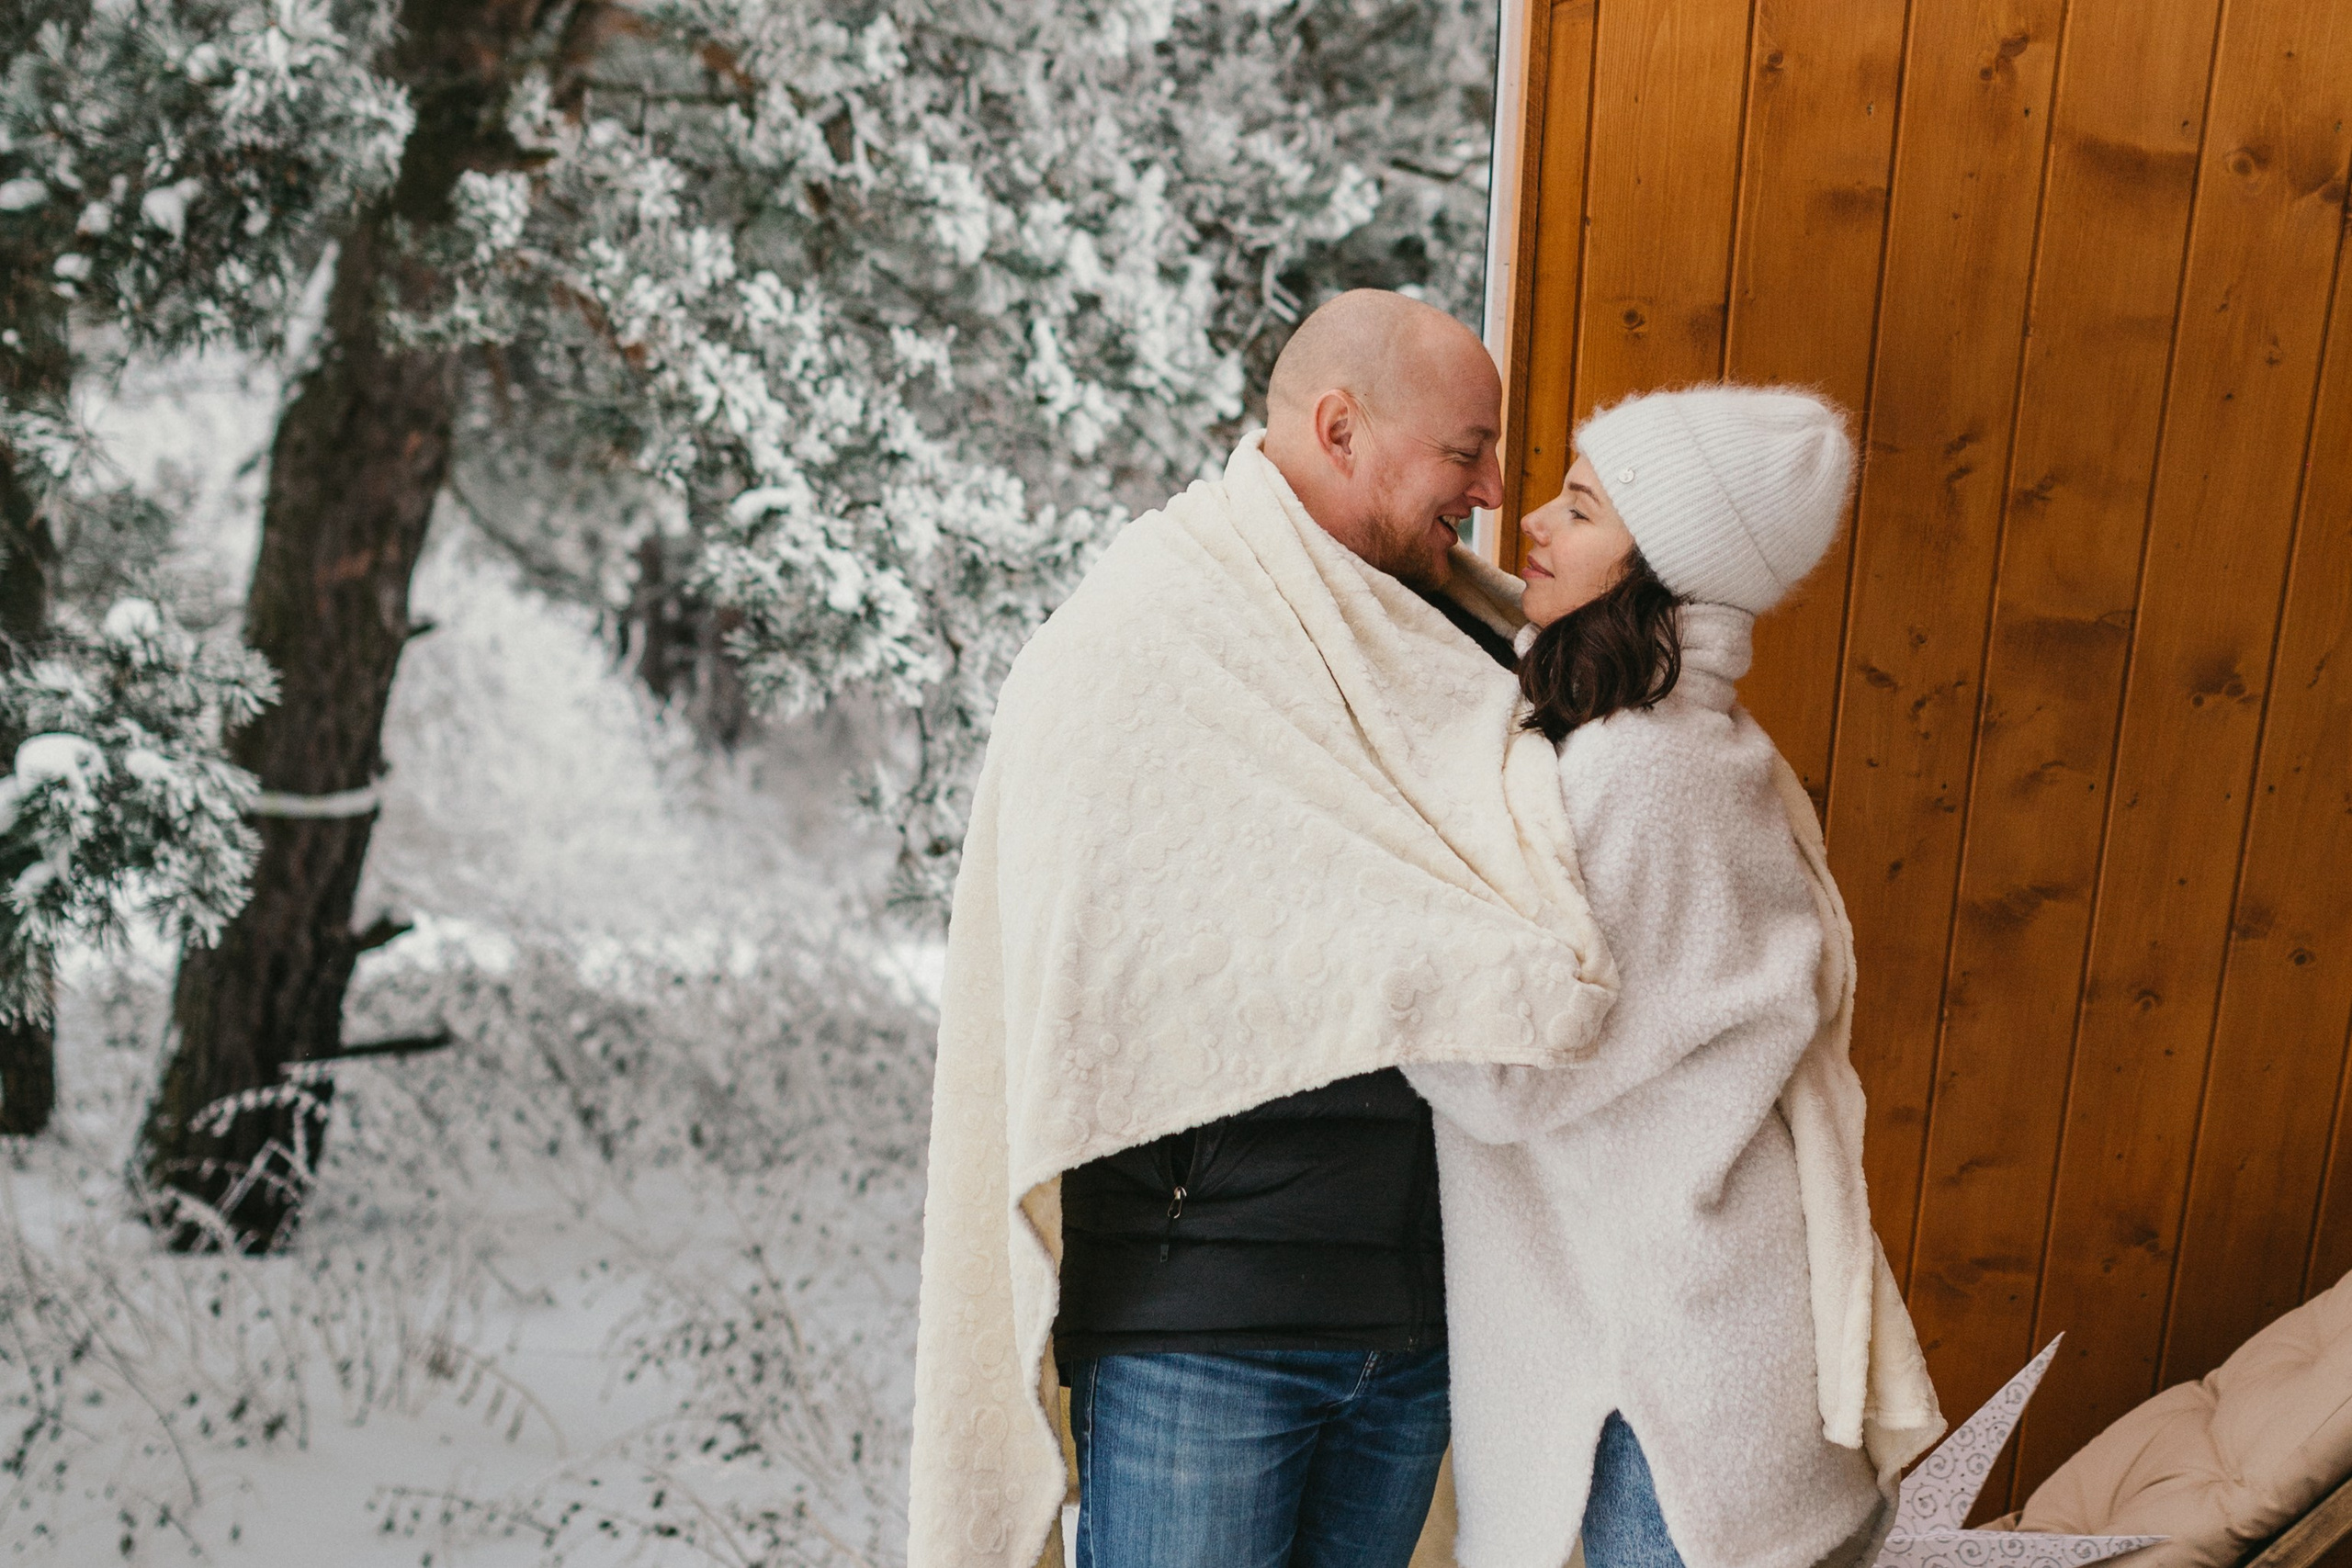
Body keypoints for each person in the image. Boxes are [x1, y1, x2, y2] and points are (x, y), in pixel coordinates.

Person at [905, 290, 1618, 1568]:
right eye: (1467, 448)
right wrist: (1437, 947)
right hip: (1204, 1324)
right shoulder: (1144, 636)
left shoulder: (1477, 633)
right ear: (1341, 428)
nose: (1494, 487)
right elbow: (1088, 965)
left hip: (1421, 1317)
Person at [1405, 386, 1941, 1568]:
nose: (1534, 521)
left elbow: (1506, 1075)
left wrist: (1363, 943)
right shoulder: (1712, 749)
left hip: (1654, 1390)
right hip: (1704, 1352)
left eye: (1582, 508)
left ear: (1666, 570)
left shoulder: (1631, 775)